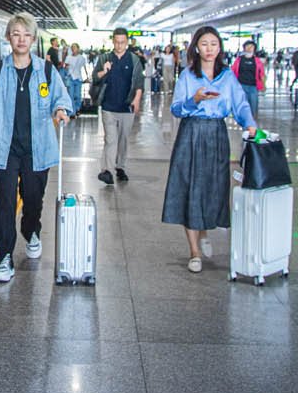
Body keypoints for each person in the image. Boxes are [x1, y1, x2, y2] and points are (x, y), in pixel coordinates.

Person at [0, 13, 72, 283]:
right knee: (4, 202)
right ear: (9, 38)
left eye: (26, 34)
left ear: (33, 39)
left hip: (38, 148)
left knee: (33, 199)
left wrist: (60, 110)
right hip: (6, 148)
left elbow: (60, 99)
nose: (21, 39)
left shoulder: (46, 71)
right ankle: (3, 258)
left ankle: (32, 228)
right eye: (16, 34)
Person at [163, 27, 256, 272]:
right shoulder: (187, 76)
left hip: (217, 134)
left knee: (213, 186)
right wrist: (195, 100)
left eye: (213, 44)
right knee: (190, 186)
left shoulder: (227, 76)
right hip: (191, 133)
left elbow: (240, 103)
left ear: (220, 47)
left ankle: (204, 231)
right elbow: (176, 109)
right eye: (204, 44)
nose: (209, 49)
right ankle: (194, 251)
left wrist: (250, 124)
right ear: (196, 47)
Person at [95, 27, 144, 185]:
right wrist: (104, 72)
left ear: (127, 42)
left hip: (126, 106)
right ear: (113, 41)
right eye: (117, 42)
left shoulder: (133, 60)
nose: (119, 45)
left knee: (123, 139)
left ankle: (120, 167)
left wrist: (136, 100)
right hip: (108, 106)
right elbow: (95, 78)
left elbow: (139, 82)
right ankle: (107, 171)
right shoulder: (104, 58)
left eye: (122, 42)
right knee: (111, 139)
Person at [232, 40, 265, 117]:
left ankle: (252, 120)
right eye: (247, 46)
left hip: (253, 86)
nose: (249, 48)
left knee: (254, 105)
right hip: (241, 85)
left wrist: (263, 85)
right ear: (244, 48)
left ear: (254, 49)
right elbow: (233, 72)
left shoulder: (257, 61)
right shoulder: (239, 60)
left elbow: (262, 73)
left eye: (251, 47)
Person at [65, 43, 88, 112]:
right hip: (70, 78)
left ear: (78, 49)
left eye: (74, 47)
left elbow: (84, 67)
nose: (73, 49)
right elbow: (65, 66)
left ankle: (77, 108)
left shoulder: (82, 58)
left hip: (78, 78)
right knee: (71, 95)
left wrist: (87, 76)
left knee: (78, 95)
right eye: (72, 48)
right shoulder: (68, 57)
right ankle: (72, 112)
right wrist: (67, 67)